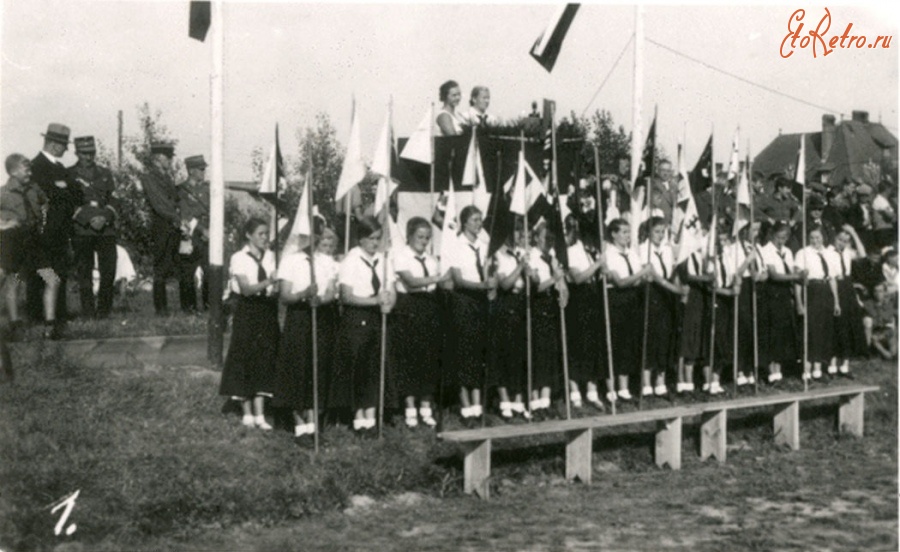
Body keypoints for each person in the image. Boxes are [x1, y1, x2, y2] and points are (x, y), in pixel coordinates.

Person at [274, 221, 340, 438]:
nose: (315, 239)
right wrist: (303, 294)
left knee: (317, 368)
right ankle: (298, 422)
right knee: (297, 367)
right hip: (299, 317)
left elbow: (331, 290)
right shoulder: (291, 260)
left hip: (321, 316)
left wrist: (320, 299)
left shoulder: (326, 262)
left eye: (319, 235)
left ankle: (313, 420)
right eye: (312, 234)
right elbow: (285, 296)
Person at [329, 216, 395, 433]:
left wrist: (389, 304)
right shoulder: (352, 260)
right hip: (357, 317)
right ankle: (359, 417)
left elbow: (391, 288)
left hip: (378, 316)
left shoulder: (384, 260)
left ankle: (372, 415)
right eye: (371, 239)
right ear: (360, 239)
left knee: (375, 366)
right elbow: (346, 296)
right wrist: (373, 301)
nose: (375, 243)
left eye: (378, 238)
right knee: (359, 366)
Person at [218, 218, 280, 430]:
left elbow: (274, 287)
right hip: (247, 310)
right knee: (245, 356)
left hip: (267, 310)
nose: (265, 238)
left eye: (266, 234)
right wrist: (269, 282)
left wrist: (277, 286)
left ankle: (260, 413)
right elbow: (246, 289)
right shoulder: (239, 258)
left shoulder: (271, 257)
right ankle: (246, 412)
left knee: (264, 356)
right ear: (249, 235)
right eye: (261, 234)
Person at [391, 217, 448, 428]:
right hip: (409, 308)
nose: (424, 241)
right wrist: (436, 279)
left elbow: (438, 283)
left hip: (429, 308)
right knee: (410, 357)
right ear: (410, 236)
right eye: (419, 237)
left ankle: (426, 406)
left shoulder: (432, 260)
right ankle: (410, 408)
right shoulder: (402, 256)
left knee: (428, 358)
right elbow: (410, 281)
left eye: (427, 237)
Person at [27, 123, 82, 333]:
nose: (65, 150)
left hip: (61, 230)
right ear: (52, 144)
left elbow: (76, 193)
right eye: (62, 145)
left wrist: (63, 191)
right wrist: (63, 191)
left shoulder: (59, 169)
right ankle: (37, 317)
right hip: (43, 231)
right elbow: (47, 195)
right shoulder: (35, 166)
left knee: (60, 273)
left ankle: (58, 316)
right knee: (39, 275)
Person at [443, 205, 496, 422]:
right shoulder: (455, 246)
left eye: (480, 219)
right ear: (464, 222)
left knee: (478, 351)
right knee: (463, 351)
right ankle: (464, 404)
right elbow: (458, 279)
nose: (479, 223)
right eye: (474, 220)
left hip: (480, 302)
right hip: (463, 301)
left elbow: (489, 273)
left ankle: (477, 403)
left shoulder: (484, 246)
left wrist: (490, 283)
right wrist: (483, 286)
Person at [0, 155, 50, 339]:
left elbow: (45, 203)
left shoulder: (34, 189)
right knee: (13, 281)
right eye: (25, 170)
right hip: (13, 240)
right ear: (13, 172)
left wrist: (42, 223)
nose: (30, 173)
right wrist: (3, 224)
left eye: (30, 169)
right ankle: (15, 324)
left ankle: (50, 325)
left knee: (51, 278)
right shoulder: (3, 193)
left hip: (34, 239)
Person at [70, 136, 118, 319]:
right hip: (83, 228)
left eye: (91, 153)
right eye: (84, 153)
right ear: (77, 153)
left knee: (109, 270)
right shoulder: (69, 174)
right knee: (84, 271)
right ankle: (88, 312)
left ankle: (104, 311)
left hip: (106, 229)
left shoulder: (105, 173)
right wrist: (90, 219)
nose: (88, 157)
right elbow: (69, 203)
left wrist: (104, 217)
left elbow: (115, 198)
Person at [603, 218, 650, 401]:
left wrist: (639, 276)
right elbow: (620, 282)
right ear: (613, 234)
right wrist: (640, 274)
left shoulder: (632, 253)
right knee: (615, 342)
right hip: (616, 299)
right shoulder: (609, 254)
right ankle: (610, 388)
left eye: (629, 232)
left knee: (629, 343)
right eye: (623, 232)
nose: (627, 236)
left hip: (633, 299)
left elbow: (636, 280)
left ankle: (624, 387)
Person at [564, 214, 606, 410]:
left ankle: (591, 390)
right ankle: (574, 391)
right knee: (577, 345)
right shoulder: (572, 251)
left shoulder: (593, 252)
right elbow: (578, 278)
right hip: (578, 300)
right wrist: (597, 265)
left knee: (593, 345)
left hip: (593, 297)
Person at [527, 222, 567, 418]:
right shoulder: (532, 257)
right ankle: (535, 403)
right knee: (537, 355)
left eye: (552, 239)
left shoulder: (552, 258)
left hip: (551, 307)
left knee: (549, 356)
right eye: (546, 238)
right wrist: (553, 279)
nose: (550, 242)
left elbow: (561, 282)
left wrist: (563, 292)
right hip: (536, 307)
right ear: (536, 238)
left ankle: (546, 400)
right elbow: (534, 289)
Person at [491, 216, 529, 419]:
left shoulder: (523, 253)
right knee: (505, 353)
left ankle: (518, 399)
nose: (518, 235)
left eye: (520, 231)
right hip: (506, 304)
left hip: (522, 304)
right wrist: (521, 267)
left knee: (520, 354)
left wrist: (531, 272)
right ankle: (504, 398)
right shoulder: (498, 255)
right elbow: (504, 284)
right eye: (514, 231)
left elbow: (533, 280)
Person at [638, 217, 681, 397]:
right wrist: (674, 288)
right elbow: (651, 275)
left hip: (666, 295)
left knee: (664, 336)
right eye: (657, 231)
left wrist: (675, 287)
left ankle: (660, 380)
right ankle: (646, 382)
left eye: (663, 232)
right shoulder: (642, 249)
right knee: (650, 336)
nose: (660, 235)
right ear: (648, 232)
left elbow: (671, 271)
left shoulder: (666, 249)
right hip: (651, 293)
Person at [759, 222, 804, 382]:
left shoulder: (788, 251)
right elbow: (774, 275)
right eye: (779, 237)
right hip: (772, 292)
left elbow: (792, 271)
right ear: (772, 235)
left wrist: (799, 275)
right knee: (773, 331)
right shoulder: (766, 250)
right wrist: (796, 276)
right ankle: (771, 371)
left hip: (785, 293)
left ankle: (779, 370)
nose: (782, 241)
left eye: (785, 238)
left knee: (783, 333)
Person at [141, 141, 182, 315]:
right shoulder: (149, 178)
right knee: (160, 268)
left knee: (170, 266)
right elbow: (160, 204)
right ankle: (161, 308)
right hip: (162, 225)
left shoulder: (167, 177)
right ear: (157, 159)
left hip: (171, 224)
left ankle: (167, 307)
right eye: (168, 158)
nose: (170, 161)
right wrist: (177, 218)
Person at [794, 226, 840, 380]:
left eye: (818, 237)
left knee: (824, 330)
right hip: (811, 290)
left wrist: (836, 302)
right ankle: (806, 370)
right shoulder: (803, 253)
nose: (815, 241)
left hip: (826, 291)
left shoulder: (829, 253)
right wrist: (799, 303)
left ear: (824, 238)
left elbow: (832, 278)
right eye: (812, 237)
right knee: (811, 330)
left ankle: (818, 369)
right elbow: (798, 280)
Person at [829, 225, 867, 375]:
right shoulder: (827, 252)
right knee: (836, 324)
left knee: (850, 323)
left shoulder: (847, 252)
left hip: (847, 287)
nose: (842, 243)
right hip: (834, 286)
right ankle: (832, 363)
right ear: (834, 238)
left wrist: (853, 232)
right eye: (840, 239)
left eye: (846, 241)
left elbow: (863, 255)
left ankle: (845, 363)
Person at [177, 155, 210, 312]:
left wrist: (209, 230)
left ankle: (209, 305)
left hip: (207, 233)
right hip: (191, 233)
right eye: (201, 169)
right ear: (191, 171)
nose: (204, 172)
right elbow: (185, 214)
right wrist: (202, 230)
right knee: (188, 272)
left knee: (210, 271)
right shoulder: (181, 190)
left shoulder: (206, 189)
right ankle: (189, 308)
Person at [863, 283, 897, 359]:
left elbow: (889, 317)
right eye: (875, 291)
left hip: (887, 332)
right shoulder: (868, 303)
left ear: (885, 292)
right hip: (875, 333)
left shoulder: (888, 304)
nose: (878, 294)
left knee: (893, 352)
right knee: (888, 355)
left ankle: (889, 354)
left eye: (880, 291)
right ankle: (869, 352)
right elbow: (879, 319)